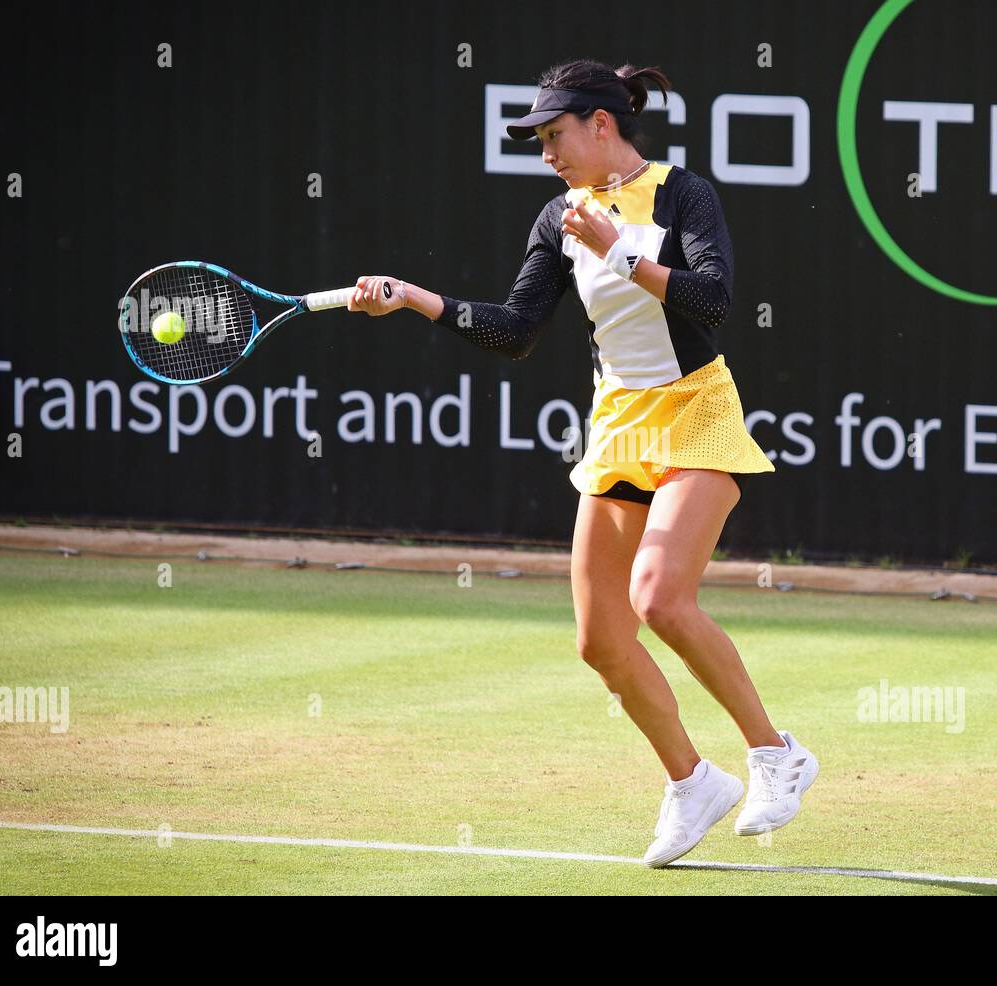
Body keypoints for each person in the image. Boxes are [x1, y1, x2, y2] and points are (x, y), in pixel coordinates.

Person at [348, 59, 817, 868]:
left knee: (660, 600)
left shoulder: (683, 194)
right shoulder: (555, 216)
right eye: (538, 141)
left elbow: (713, 300)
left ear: (603, 125)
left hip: (696, 408)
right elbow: (517, 329)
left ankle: (777, 754)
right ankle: (692, 782)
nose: (546, 154)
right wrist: (415, 298)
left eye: (554, 136)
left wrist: (622, 252)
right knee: (601, 640)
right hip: (617, 425)